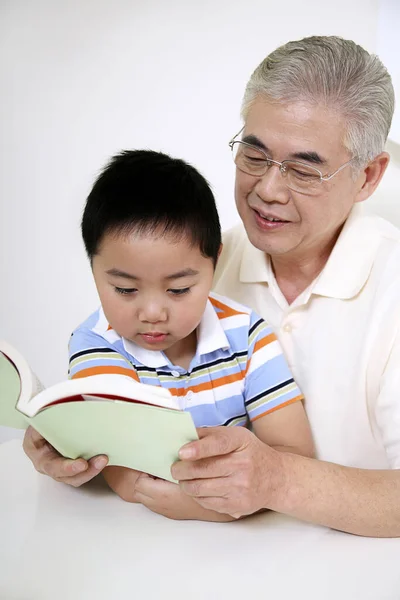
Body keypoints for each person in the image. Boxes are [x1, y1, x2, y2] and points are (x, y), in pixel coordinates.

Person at [23, 34, 400, 536]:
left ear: (368, 177)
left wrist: (277, 479)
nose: (267, 188)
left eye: (305, 169)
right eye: (254, 153)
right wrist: (68, 442)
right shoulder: (196, 268)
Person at [26, 149, 313, 522]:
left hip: (246, 549)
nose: (152, 313)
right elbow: (127, 473)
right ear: (94, 268)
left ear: (215, 263)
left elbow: (293, 457)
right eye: (125, 290)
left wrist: (218, 507)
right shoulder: (96, 343)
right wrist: (217, 502)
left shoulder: (247, 335)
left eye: (178, 290)